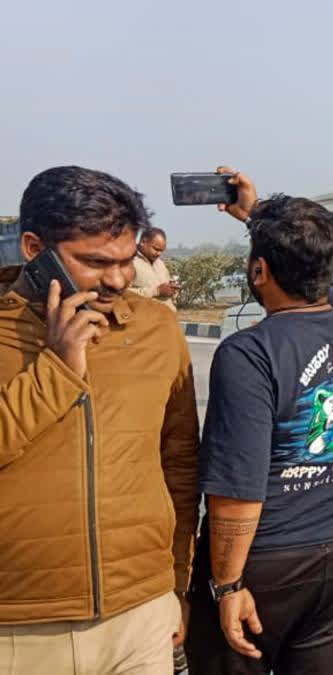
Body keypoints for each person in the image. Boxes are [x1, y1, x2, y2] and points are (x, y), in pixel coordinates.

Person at [0, 166, 199, 673]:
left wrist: (176, 584)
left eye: (126, 260)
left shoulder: (156, 329)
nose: (116, 279)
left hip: (140, 616)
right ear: (32, 248)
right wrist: (59, 368)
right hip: (18, 626)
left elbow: (178, 462)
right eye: (94, 262)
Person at [185, 168, 333, 674]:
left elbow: (237, 488)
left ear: (258, 272)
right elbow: (315, 274)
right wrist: (257, 221)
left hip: (268, 562)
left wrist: (226, 586)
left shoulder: (248, 354)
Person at [130, 226, 180, 311]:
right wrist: (156, 291)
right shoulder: (129, 262)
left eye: (161, 251)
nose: (159, 254)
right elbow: (122, 295)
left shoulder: (160, 264)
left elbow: (167, 288)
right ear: (143, 242)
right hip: (144, 321)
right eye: (156, 249)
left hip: (167, 319)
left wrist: (173, 290)